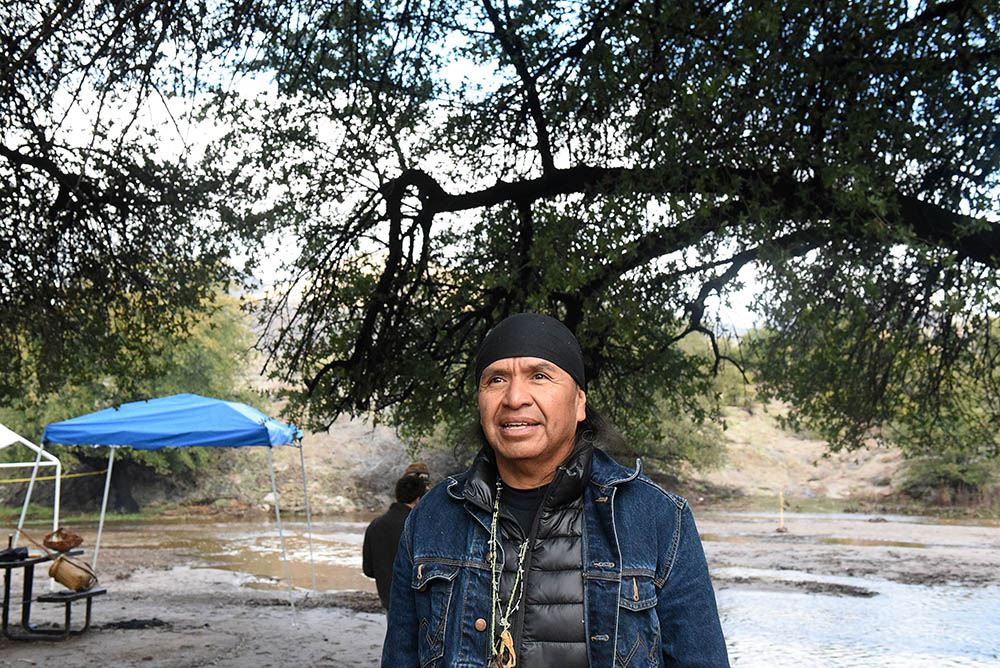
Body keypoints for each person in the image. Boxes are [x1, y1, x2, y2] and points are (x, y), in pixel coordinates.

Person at [382, 313, 729, 667]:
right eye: (496, 379)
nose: (515, 397)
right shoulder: (433, 516)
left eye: (540, 376)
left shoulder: (655, 517)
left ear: (579, 403)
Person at [363, 470, 428, 609]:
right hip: (417, 603)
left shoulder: (375, 525)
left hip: (389, 601)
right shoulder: (420, 526)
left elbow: (368, 570)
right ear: (418, 499)